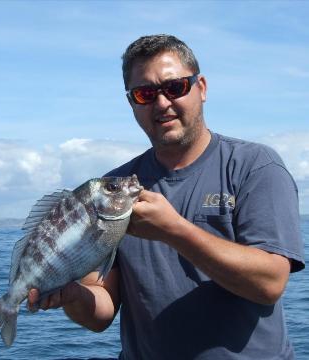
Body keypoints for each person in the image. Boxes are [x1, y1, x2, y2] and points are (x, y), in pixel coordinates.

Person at [28, 34, 305, 359]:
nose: (161, 103)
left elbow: (270, 284)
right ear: (132, 103)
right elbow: (101, 311)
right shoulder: (112, 191)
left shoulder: (254, 166)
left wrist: (174, 230)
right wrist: (74, 296)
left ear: (201, 88)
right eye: (145, 93)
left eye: (175, 88)